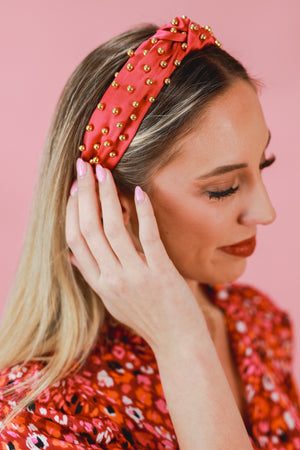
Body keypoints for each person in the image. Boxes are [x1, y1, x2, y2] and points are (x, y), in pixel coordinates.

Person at [0, 14, 299, 449]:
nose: (266, 212)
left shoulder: (257, 323)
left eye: (263, 165)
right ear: (110, 207)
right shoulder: (41, 416)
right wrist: (180, 342)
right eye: (223, 189)